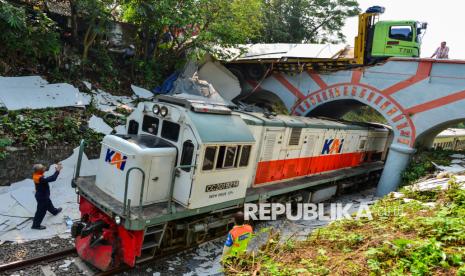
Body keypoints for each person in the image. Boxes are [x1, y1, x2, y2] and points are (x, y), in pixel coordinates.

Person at [31, 163, 63, 230]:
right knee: (41, 211)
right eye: (43, 168)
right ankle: (35, 225)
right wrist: (57, 170)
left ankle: (54, 211)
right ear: (39, 171)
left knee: (48, 203)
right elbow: (53, 178)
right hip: (42, 197)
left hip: (43, 195)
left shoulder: (37, 174)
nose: (44, 168)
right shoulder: (40, 178)